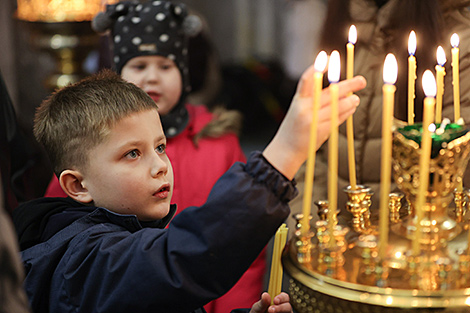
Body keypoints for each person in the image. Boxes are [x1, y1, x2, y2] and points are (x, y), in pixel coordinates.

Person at [12, 64, 365, 312]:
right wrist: (283, 154)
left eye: (160, 147)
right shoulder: (82, 262)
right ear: (77, 185)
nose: (160, 166)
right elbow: (182, 259)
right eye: (132, 154)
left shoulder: (127, 233)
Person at [43, 3, 253, 310]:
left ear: (184, 73)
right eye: (139, 66)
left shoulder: (218, 141)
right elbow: (63, 227)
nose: (152, 78)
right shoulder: (91, 148)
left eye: (165, 66)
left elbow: (238, 237)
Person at [289, 0, 470, 228]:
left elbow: (453, 177)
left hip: (412, 247)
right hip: (339, 244)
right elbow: (312, 153)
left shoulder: (459, 46)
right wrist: (315, 229)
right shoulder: (346, 24)